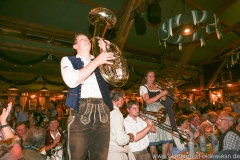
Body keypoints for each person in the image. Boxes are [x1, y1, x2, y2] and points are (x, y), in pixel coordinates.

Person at [60, 33, 115, 160]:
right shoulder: (68, 60)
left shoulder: (100, 60)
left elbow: (117, 78)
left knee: (101, 156)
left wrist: (110, 55)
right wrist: (97, 61)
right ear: (75, 46)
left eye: (87, 38)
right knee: (76, 156)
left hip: (103, 110)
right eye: (81, 39)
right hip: (80, 111)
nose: (86, 40)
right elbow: (72, 81)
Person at [139, 70, 173, 159]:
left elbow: (164, 99)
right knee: (153, 136)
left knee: (166, 133)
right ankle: (154, 158)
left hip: (161, 109)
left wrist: (161, 89)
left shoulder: (157, 86)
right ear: (145, 77)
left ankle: (164, 157)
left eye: (153, 76)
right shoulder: (143, 87)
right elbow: (148, 101)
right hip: (151, 110)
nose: (152, 78)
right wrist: (161, 93)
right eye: (150, 76)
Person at [107, 89, 135, 160]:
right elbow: (120, 140)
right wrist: (129, 136)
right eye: (124, 98)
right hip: (115, 154)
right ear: (118, 99)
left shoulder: (106, 110)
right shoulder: (116, 114)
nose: (124, 101)